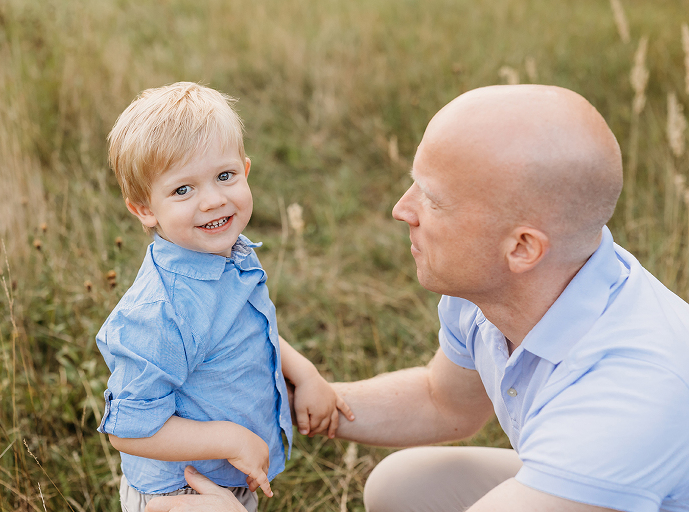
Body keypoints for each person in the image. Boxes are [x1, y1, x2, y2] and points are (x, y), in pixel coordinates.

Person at [146, 84, 689, 512]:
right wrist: (260, 401)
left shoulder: (631, 392)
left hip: (610, 480)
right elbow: (443, 402)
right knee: (403, 487)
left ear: (522, 247)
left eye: (432, 199)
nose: (401, 209)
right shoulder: (494, 289)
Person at [96, 82, 353, 512]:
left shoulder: (229, 253)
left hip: (228, 477)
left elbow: (249, 327)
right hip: (180, 494)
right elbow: (129, 428)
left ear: (246, 170)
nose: (214, 200)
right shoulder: (161, 312)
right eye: (183, 190)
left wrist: (306, 374)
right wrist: (230, 439)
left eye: (225, 176)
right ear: (144, 208)